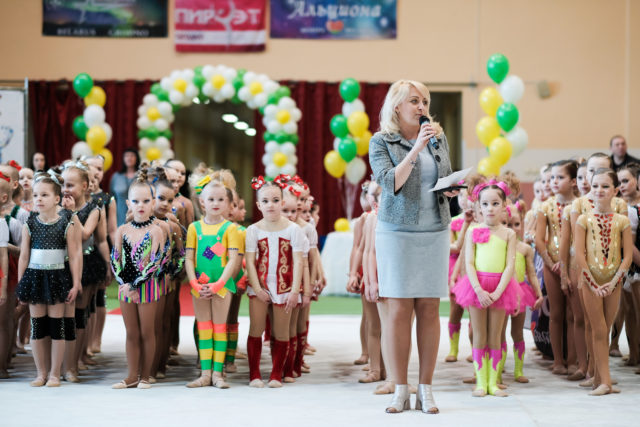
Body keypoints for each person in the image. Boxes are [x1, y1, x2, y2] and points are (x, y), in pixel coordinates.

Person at [369, 80, 457, 414]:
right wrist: (416, 148)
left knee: (430, 308)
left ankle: (426, 389)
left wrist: (450, 188)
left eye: (425, 102)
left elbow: (442, 176)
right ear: (397, 106)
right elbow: (389, 182)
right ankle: (400, 389)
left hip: (434, 230)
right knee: (399, 309)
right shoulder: (381, 141)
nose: (422, 107)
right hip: (396, 233)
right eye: (415, 101)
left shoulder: (438, 137)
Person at [451, 180, 520, 397]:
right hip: (476, 287)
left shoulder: (508, 233)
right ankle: (481, 382)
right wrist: (479, 290)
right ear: (478, 207)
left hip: (500, 287)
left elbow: (509, 265)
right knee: (479, 334)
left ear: (504, 205)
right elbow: (469, 263)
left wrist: (498, 292)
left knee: (495, 336)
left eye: (495, 203)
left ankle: (493, 383)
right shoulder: (473, 231)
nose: (490, 208)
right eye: (486, 204)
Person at [16, 171, 82, 387]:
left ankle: (55, 373)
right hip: (35, 278)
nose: (39, 199)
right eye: (36, 195)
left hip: (57, 278)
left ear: (56, 199)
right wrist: (21, 285)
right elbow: (24, 256)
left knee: (57, 328)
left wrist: (76, 282)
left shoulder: (66, 223)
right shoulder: (30, 224)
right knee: (38, 328)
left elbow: (74, 255)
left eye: (44, 195)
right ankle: (40, 373)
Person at [574, 168, 633, 395]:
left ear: (615, 191)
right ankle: (606, 382)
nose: (599, 190)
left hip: (613, 282)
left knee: (605, 330)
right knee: (598, 329)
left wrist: (614, 281)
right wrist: (592, 282)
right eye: (595, 185)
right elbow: (579, 254)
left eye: (605, 186)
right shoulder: (583, 219)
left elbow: (627, 256)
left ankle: (599, 379)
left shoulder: (622, 221)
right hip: (590, 282)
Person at [245, 177, 304, 388]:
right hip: (259, 286)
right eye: (265, 201)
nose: (271, 205)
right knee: (256, 328)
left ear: (282, 203)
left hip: (284, 287)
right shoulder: (253, 230)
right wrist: (257, 288)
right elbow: (250, 262)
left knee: (281, 331)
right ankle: (254, 374)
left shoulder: (293, 230)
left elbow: (299, 261)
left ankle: (276, 374)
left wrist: (294, 291)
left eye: (275, 200)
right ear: (258, 205)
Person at [111, 172, 166, 389]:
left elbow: (155, 262)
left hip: (147, 287)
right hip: (125, 287)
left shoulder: (156, 231)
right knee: (131, 333)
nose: (140, 205)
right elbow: (115, 260)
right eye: (135, 201)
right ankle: (132, 375)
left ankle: (145, 376)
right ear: (128, 204)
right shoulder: (122, 230)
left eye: (145, 201)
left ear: (153, 203)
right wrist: (124, 284)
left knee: (146, 332)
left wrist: (136, 285)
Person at [535, 160, 579, 376]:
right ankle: (558, 360)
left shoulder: (580, 205)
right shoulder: (546, 206)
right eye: (552, 177)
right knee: (556, 313)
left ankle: (573, 360)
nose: (554, 181)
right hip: (551, 265)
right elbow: (539, 239)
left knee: (573, 314)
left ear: (573, 181)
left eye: (560, 177)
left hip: (574, 264)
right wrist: (551, 263)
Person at [506, 200, 543, 383]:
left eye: (516, 224)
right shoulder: (500, 246)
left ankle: (518, 370)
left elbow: (532, 273)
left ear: (522, 224)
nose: (512, 228)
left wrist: (538, 293)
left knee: (517, 333)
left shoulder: (525, 248)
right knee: (497, 335)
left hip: (520, 292)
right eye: (507, 224)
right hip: (502, 292)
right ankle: (497, 370)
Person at [110, 148, 140, 226]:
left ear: (137, 158)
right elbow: (112, 197)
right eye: (127, 156)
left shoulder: (141, 176)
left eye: (132, 156)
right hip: (119, 216)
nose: (129, 158)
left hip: (138, 215)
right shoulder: (116, 176)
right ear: (123, 159)